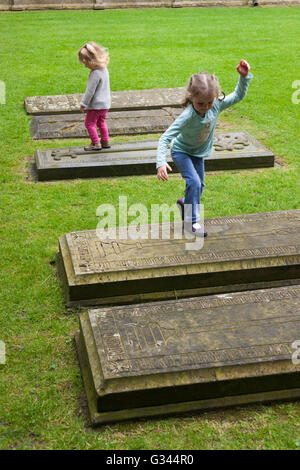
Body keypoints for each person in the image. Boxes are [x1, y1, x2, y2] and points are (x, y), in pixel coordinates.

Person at [156, 60, 252, 237]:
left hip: (198, 153)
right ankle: (192, 223)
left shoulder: (216, 105)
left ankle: (185, 203)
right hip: (181, 152)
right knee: (194, 182)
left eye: (209, 102)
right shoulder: (187, 116)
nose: (206, 107)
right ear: (191, 98)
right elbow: (165, 137)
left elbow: (237, 96)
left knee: (200, 185)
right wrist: (161, 162)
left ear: (215, 97)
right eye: (201, 103)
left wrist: (243, 77)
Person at [78, 42, 111, 151]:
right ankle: (105, 141)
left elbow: (89, 92)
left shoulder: (95, 73)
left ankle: (95, 143)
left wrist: (83, 104)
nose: (84, 65)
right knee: (101, 122)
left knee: (89, 123)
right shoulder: (104, 69)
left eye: (85, 62)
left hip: (96, 105)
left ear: (92, 61)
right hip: (105, 104)